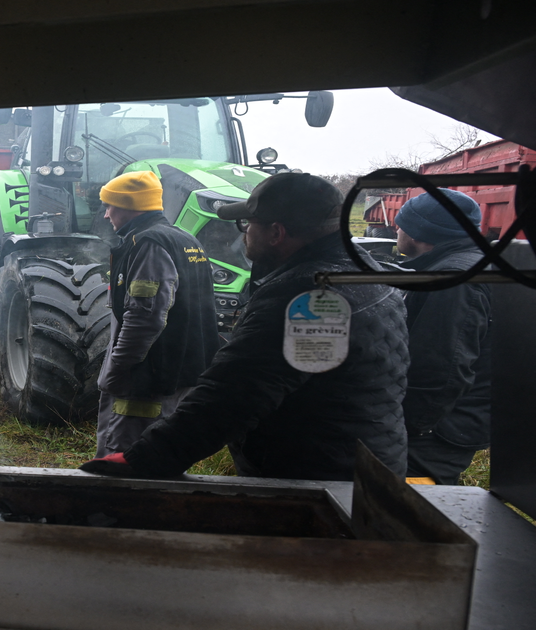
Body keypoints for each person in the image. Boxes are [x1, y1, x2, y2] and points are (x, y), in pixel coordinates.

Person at [81, 173, 409, 481]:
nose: (244, 232)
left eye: (247, 223)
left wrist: (144, 459)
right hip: (364, 459)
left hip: (313, 475)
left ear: (276, 233)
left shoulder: (305, 296)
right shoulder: (367, 270)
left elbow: (233, 395)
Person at [93, 171, 220, 457]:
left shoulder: (148, 244)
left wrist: (119, 367)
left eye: (109, 206)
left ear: (128, 207)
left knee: (127, 453)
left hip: (147, 376)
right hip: (181, 369)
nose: (105, 215)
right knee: (160, 451)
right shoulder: (185, 239)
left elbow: (145, 316)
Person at [394, 189, 491, 485]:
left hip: (435, 432)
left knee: (409, 507)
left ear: (417, 232)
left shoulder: (453, 280)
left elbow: (440, 369)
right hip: (454, 420)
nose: (396, 229)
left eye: (401, 224)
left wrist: (410, 427)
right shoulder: (474, 263)